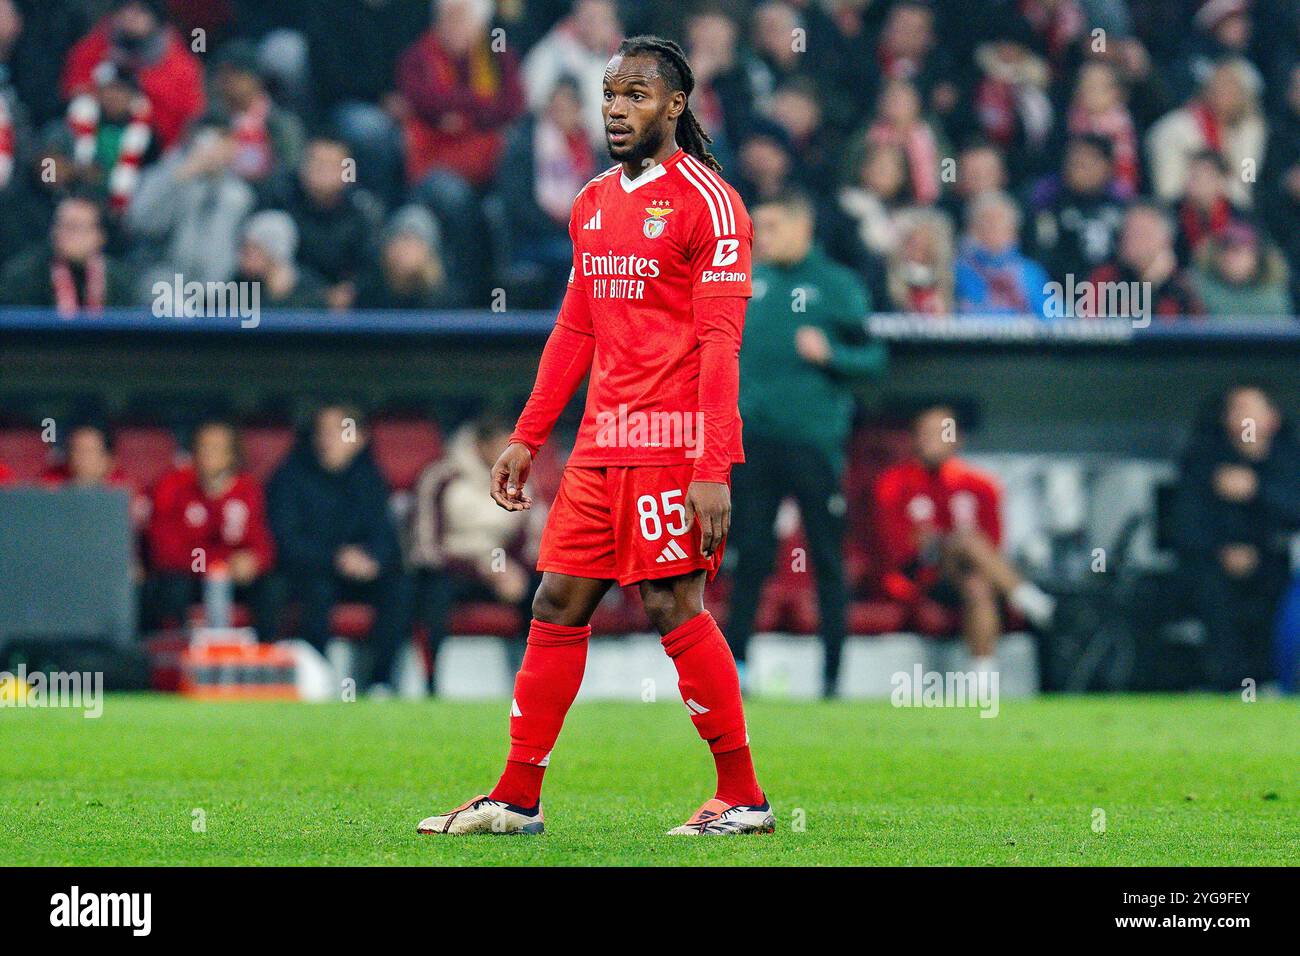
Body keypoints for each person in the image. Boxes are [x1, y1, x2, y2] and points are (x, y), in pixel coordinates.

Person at [418, 35, 771, 838]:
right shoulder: (593, 200)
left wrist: (712, 466)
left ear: (676, 106)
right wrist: (528, 435)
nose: (617, 108)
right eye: (611, 93)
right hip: (600, 443)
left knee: (672, 601)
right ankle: (516, 797)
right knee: (557, 599)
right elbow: (576, 329)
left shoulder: (710, 204)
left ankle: (744, 796)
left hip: (672, 442)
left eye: (638, 95)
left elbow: (723, 344)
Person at [726, 188, 886, 696]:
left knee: (826, 556)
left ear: (802, 227)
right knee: (750, 554)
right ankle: (738, 670)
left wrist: (833, 354)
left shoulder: (836, 285)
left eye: (770, 227)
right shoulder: (747, 283)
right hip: (754, 443)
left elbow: (875, 358)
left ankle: (833, 674)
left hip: (813, 443)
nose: (761, 237)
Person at [874, 405, 1056, 673]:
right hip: (923, 575)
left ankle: (981, 678)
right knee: (965, 539)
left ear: (957, 438)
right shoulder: (894, 483)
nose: (930, 439)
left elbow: (993, 544)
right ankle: (1025, 596)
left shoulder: (980, 485)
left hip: (968, 573)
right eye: (923, 433)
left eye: (940, 432)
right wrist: (928, 543)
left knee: (977, 586)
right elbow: (894, 547)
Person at [266, 405, 409, 692]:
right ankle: (317, 681)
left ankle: (380, 683)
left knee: (399, 587)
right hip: (311, 572)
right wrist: (334, 557)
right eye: (324, 431)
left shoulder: (370, 479)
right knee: (315, 590)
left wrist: (372, 560)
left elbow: (385, 536)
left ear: (359, 438)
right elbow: (287, 541)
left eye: (340, 430)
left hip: (358, 575)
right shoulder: (290, 476)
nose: (329, 438)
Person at [1171, 386, 1300, 690]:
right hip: (1216, 568)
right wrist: (1223, 551)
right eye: (1234, 411)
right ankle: (1225, 686)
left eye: (1248, 410)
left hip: (1278, 567)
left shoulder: (1290, 461)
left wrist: (1257, 491)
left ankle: (1275, 684)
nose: (1240, 419)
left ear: (1272, 418)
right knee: (1208, 590)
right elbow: (1184, 524)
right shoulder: (1205, 462)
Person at [409, 412, 540, 690]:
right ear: (480, 445)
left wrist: (511, 572)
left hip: (501, 572)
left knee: (542, 592)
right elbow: (426, 550)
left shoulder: (521, 481)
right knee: (434, 593)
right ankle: (430, 684)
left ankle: (536, 682)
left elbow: (528, 544)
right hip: (451, 571)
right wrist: (482, 568)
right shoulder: (441, 477)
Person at [145, 421, 277, 640]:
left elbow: (263, 544)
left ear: (232, 456)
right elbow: (164, 550)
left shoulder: (248, 490)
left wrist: (252, 561)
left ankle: (263, 659)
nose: (208, 454)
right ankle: (179, 661)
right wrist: (217, 563)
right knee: (171, 588)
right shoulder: (173, 486)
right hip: (190, 576)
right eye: (203, 447)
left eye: (217, 448)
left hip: (235, 579)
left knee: (272, 587)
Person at [0, 195, 133, 312]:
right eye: (62, 226)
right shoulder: (24, 277)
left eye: (76, 227)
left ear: (99, 236)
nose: (67, 235)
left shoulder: (118, 281)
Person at [953, 191, 1051, 317]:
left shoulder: (1030, 272)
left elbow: (1054, 319)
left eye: (998, 224)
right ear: (970, 229)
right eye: (984, 222)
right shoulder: (957, 271)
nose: (990, 229)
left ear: (1013, 232)